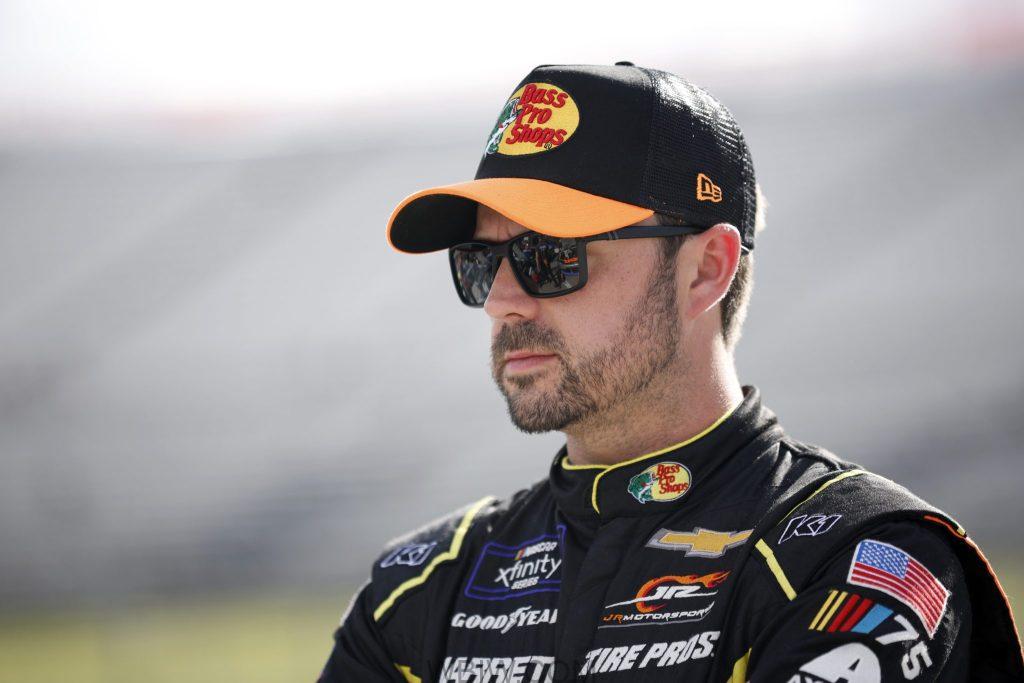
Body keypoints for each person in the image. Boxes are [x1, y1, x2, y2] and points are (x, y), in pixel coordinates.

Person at [318, 63, 1023, 682]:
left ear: (706, 269)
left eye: (550, 255)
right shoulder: (421, 588)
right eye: (479, 262)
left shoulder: (854, 558)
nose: (502, 299)